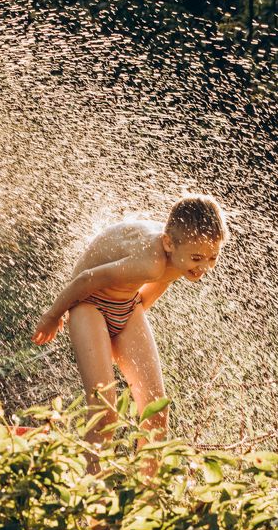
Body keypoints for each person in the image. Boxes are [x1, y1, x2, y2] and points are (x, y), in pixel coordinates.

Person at [32, 195, 229, 471]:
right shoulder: (151, 260)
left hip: (125, 305)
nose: (205, 267)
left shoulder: (179, 255)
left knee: (157, 411)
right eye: (198, 258)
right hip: (88, 302)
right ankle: (91, 506)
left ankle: (146, 501)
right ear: (168, 244)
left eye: (213, 257)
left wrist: (121, 335)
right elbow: (88, 279)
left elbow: (156, 287)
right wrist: (53, 316)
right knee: (105, 412)